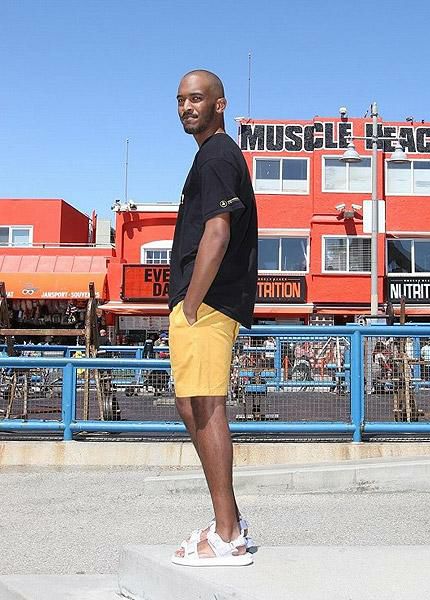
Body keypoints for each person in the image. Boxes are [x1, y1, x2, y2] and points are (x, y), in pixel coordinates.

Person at [169, 70, 257, 567]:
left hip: (206, 303)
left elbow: (217, 233)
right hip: (203, 303)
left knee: (205, 407)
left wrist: (191, 302)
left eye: (197, 98)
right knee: (192, 406)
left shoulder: (219, 154)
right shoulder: (209, 155)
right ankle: (232, 521)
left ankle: (227, 536)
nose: (187, 107)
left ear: (220, 105)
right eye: (181, 100)